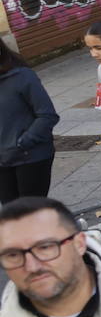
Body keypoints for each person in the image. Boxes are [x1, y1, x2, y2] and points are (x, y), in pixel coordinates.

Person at [0, 45, 58, 205]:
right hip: (3, 161)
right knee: (11, 216)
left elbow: (47, 115)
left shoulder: (22, 76)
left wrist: (22, 143)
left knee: (31, 212)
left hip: (31, 156)